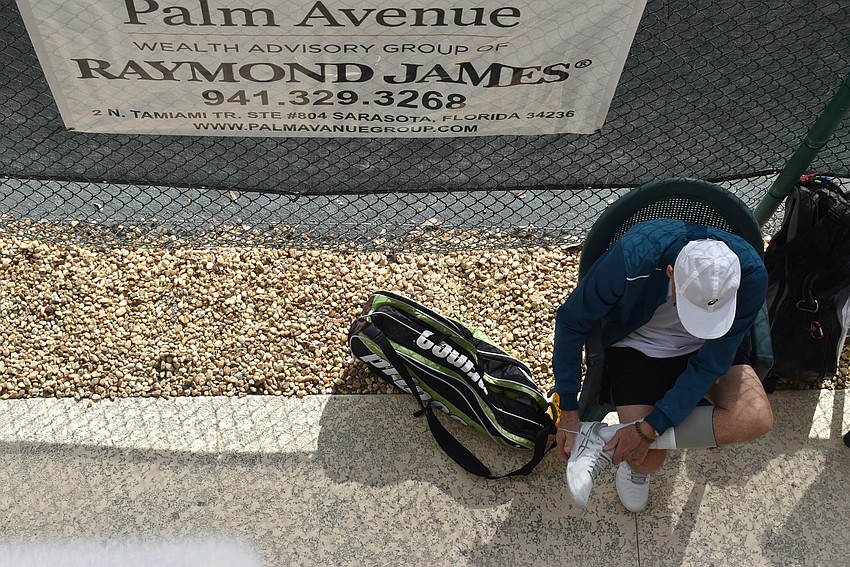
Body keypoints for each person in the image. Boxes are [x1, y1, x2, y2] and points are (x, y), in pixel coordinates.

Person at [551, 218, 775, 512]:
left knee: (756, 417)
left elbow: (710, 364)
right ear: (671, 273)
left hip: (709, 347)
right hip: (638, 345)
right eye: (690, 308)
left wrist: (649, 429)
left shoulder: (751, 273)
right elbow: (571, 320)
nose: (694, 323)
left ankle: (601, 439)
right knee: (647, 461)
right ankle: (628, 451)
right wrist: (568, 408)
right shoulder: (632, 257)